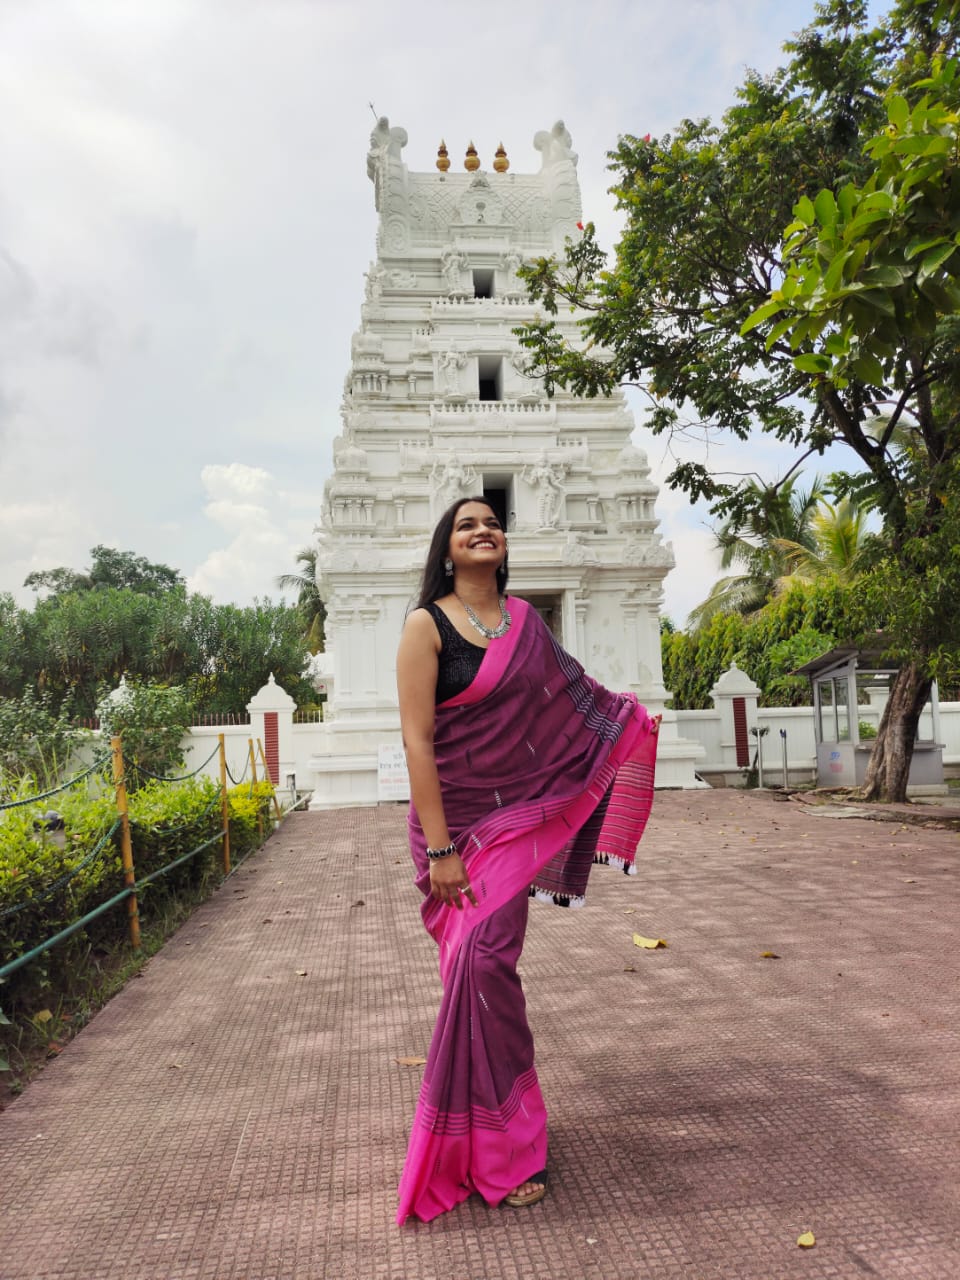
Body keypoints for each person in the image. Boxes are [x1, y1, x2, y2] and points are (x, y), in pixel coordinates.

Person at [395, 496, 660, 1225]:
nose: (482, 530)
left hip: (513, 826)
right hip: (454, 828)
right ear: (447, 549)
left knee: (486, 970)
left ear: (503, 545)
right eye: (465, 524)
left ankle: (507, 1141)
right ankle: (489, 1134)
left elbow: (573, 705)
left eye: (491, 522)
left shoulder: (527, 627)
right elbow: (418, 741)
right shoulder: (427, 626)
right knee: (474, 970)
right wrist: (444, 848)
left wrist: (630, 721)